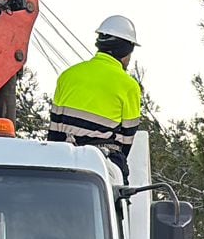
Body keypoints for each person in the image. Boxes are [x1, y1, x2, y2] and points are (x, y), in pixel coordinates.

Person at [47, 15, 143, 175]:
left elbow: (55, 128)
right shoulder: (129, 86)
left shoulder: (67, 75)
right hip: (103, 162)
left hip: (64, 157)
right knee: (121, 192)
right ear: (126, 50)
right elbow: (127, 139)